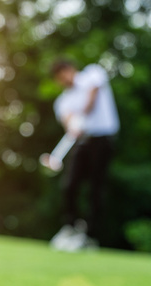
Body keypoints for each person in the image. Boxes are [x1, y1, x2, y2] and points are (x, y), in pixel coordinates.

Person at [49, 59, 119, 252]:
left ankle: (90, 237)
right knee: (69, 184)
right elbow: (67, 120)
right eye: (58, 77)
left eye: (64, 73)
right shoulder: (63, 101)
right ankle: (71, 227)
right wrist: (73, 125)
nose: (63, 78)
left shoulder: (92, 74)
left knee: (96, 188)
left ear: (71, 69)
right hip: (82, 142)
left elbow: (92, 96)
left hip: (103, 138)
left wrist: (82, 115)